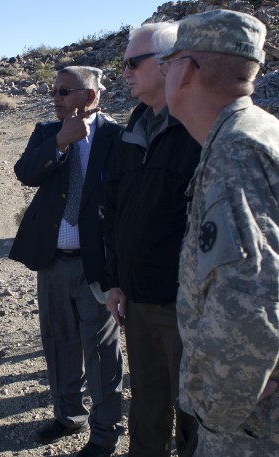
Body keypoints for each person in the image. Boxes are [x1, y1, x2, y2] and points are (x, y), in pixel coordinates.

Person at [157, 9, 279, 456]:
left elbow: (248, 307)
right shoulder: (261, 132)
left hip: (250, 430)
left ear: (186, 71)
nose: (165, 73)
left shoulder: (236, 154)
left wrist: (220, 411)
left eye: (167, 65)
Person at [9, 66, 124, 457]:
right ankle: (67, 413)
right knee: (58, 341)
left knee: (101, 352)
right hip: (53, 262)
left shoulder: (117, 136)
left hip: (99, 266)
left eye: (63, 91)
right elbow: (25, 174)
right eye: (52, 90)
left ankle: (105, 432)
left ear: (90, 97)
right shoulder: (46, 132)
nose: (55, 97)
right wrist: (60, 142)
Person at [102, 22, 200, 457]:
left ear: (167, 65)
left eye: (132, 63)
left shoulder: (200, 130)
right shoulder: (135, 127)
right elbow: (115, 212)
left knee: (195, 414)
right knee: (146, 405)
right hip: (138, 298)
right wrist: (115, 280)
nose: (124, 71)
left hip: (186, 305)